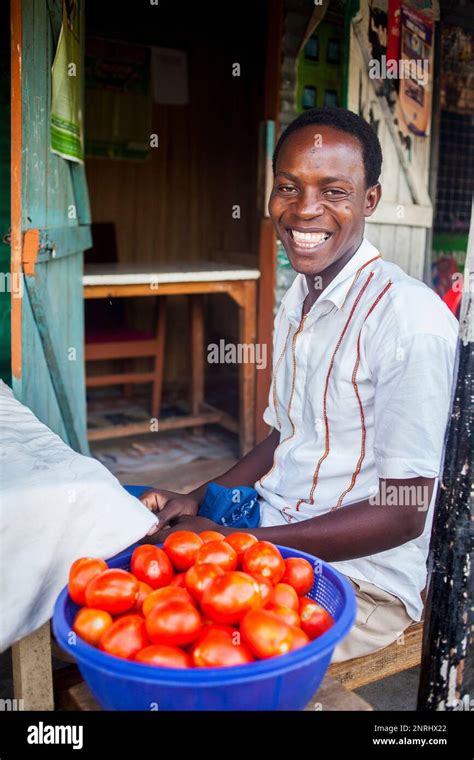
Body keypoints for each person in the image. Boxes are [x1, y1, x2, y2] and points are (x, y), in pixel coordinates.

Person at [139, 107, 458, 661]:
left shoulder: (409, 320)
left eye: (334, 190)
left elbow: (405, 508)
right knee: (140, 599)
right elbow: (286, 436)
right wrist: (200, 496)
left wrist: (239, 543)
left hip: (360, 581)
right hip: (272, 532)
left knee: (200, 652)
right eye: (289, 186)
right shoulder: (301, 295)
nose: (305, 208)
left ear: (371, 200)